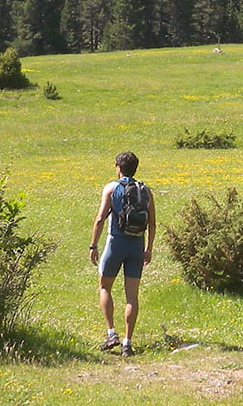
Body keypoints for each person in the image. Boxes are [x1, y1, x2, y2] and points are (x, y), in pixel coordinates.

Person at [89, 149, 156, 355]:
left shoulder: (111, 188)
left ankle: (111, 333)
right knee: (132, 296)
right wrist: (149, 248)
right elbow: (152, 223)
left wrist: (93, 245)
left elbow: (100, 219)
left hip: (115, 243)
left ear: (118, 168)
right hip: (136, 245)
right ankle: (128, 343)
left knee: (104, 286)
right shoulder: (145, 190)